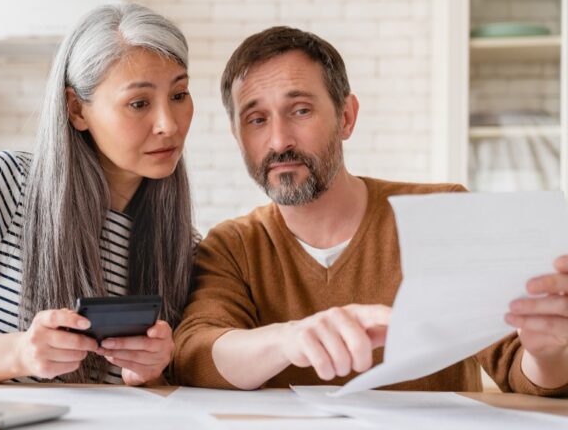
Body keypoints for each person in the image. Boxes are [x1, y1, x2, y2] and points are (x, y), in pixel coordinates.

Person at [172, 26, 568, 396]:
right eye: (256, 120)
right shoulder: (233, 246)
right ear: (238, 137)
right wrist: (290, 338)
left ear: (346, 117)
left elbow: (518, 365)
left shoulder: (443, 214)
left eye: (301, 110)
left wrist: (547, 352)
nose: (278, 140)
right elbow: (195, 352)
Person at [0, 3, 195, 386]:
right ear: (76, 109)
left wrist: (153, 374)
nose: (168, 124)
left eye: (179, 94)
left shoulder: (183, 247)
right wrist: (20, 353)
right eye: (139, 103)